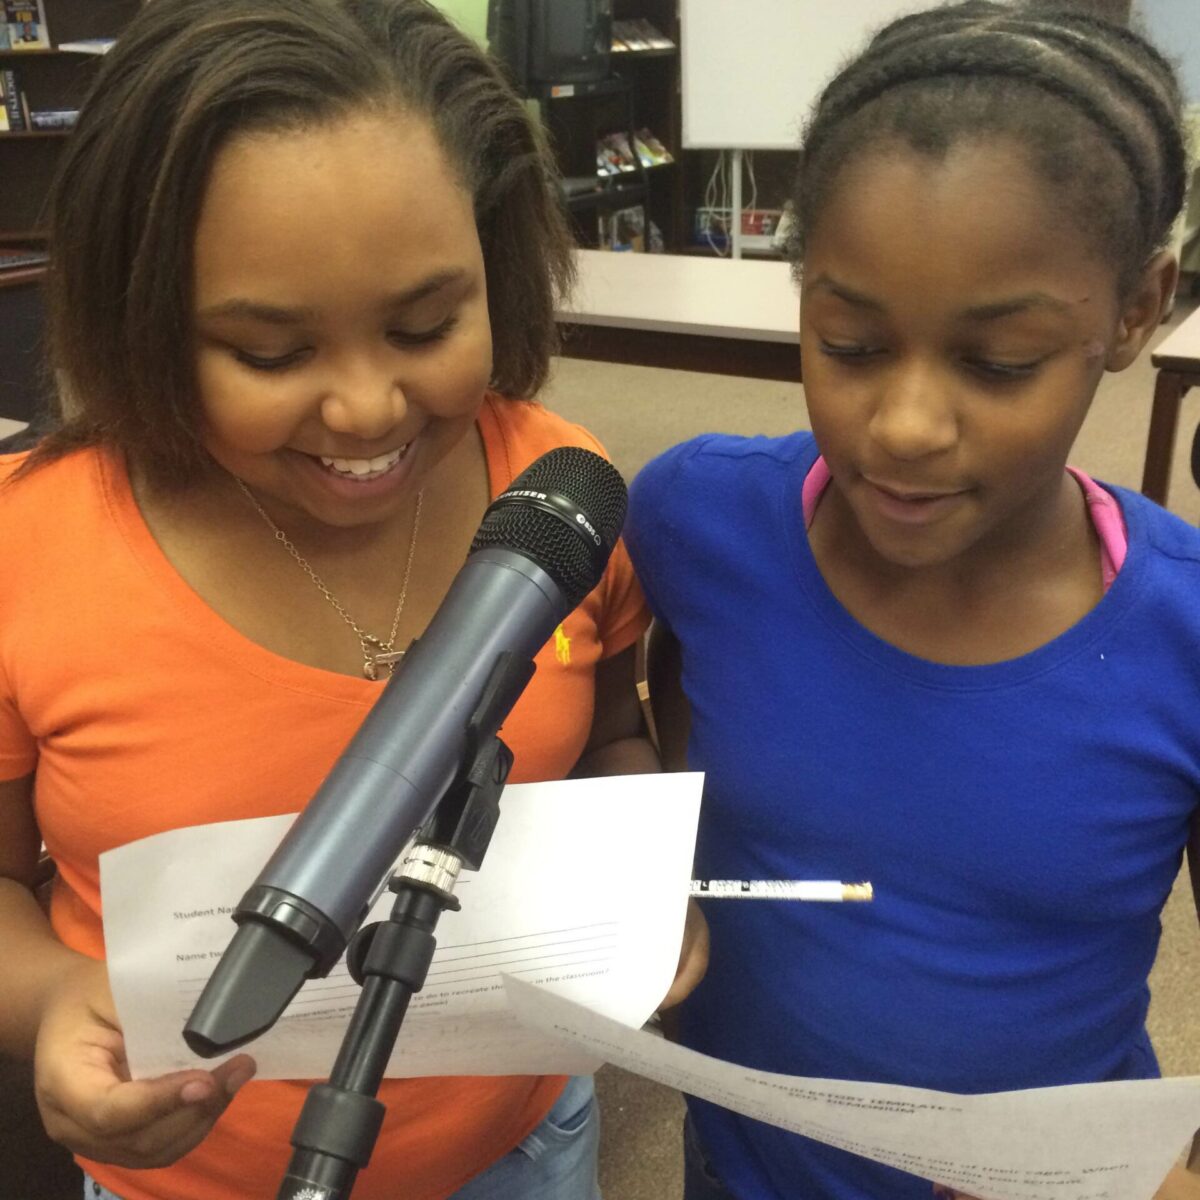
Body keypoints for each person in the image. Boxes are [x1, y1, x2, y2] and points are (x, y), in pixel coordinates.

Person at [0, 1, 707, 1197]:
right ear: (144, 316)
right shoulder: (31, 546)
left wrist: (637, 889)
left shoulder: (555, 492)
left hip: (522, 1146)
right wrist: (53, 999)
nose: (367, 409)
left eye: (425, 326)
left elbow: (607, 737)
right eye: (271, 354)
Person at [625, 3, 1199, 1198]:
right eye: (849, 343)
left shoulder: (1182, 638)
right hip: (742, 1162)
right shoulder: (698, 520)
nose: (906, 427)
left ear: (1138, 309)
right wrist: (656, 882)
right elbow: (663, 733)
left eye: (998, 364)